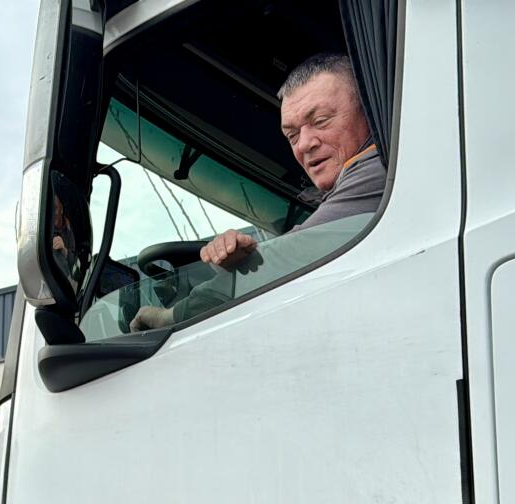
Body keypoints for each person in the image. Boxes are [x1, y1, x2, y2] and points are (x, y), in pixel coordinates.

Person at [130, 52, 385, 331]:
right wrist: (242, 260)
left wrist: (169, 317)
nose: (303, 145)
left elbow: (289, 258)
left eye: (321, 120)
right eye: (292, 135)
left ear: (369, 108)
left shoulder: (380, 167)